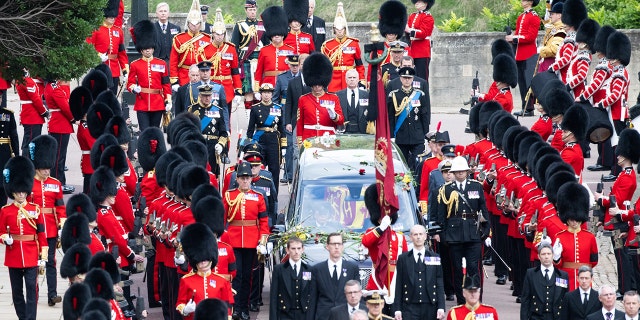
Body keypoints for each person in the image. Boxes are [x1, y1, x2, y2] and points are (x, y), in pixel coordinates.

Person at [435, 156, 490, 304]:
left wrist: (486, 229)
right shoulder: (446, 189)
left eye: (462, 171)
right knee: (457, 270)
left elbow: (483, 209)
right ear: (453, 172)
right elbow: (442, 214)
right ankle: (461, 301)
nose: (460, 174)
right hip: (454, 234)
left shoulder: (476, 186)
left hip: (473, 233)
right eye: (457, 171)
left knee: (474, 268)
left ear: (467, 172)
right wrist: (443, 233)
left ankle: (476, 299)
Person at [0, 156, 48, 320]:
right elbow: (0, 232)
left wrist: (43, 256)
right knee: (17, 292)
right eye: (18, 191)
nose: (21, 194)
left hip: (31, 254)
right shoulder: (5, 211)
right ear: (13, 191)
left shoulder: (35, 209)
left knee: (31, 287)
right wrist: (5, 238)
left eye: (23, 191)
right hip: (13, 256)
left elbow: (41, 233)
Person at [223, 162, 269, 320]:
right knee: (237, 275)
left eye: (247, 178)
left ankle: (244, 308)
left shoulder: (258, 197)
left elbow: (263, 222)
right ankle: (235, 307)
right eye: (242, 178)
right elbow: (223, 221)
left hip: (251, 242)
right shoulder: (229, 196)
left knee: (248, 276)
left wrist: (263, 241)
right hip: (233, 240)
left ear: (251, 179)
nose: (245, 181)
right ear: (237, 179)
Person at [595, 128, 638, 295]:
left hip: (619, 223)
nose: (618, 157)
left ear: (627, 155)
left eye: (620, 154)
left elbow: (616, 201)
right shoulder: (623, 174)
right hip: (614, 221)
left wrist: (599, 198)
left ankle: (625, 288)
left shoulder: (628, 176)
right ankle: (624, 286)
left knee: (622, 258)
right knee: (619, 256)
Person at [27, 135, 66, 306]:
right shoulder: (28, 184)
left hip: (50, 228)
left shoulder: (55, 184)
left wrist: (62, 225)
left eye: (48, 168)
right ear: (37, 167)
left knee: (51, 262)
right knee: (33, 264)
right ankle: (33, 295)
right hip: (34, 229)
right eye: (44, 168)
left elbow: (60, 207)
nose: (47, 171)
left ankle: (52, 294)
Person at [593, 31, 631, 182]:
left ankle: (617, 172)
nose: (611, 60)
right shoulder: (617, 71)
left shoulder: (620, 73)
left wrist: (601, 103)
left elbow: (615, 95)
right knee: (616, 141)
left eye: (614, 57)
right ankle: (616, 171)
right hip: (615, 111)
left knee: (617, 142)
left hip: (618, 112)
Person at [361, 184, 407, 306]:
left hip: (395, 279)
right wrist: (381, 228)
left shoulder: (399, 237)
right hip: (378, 279)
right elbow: (366, 241)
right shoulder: (372, 233)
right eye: (381, 217)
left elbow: (405, 262)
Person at [176, 223, 234, 319]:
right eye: (199, 260)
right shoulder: (186, 281)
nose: (203, 263)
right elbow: (179, 303)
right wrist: (185, 309)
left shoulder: (222, 281)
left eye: (205, 260)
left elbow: (228, 304)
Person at [393, 224, 445, 319]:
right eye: (415, 234)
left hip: (430, 306)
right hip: (409, 307)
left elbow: (439, 282)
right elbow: (399, 284)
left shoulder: (434, 257)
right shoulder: (403, 259)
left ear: (425, 236)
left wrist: (441, 307)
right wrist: (397, 309)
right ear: (410, 237)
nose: (418, 237)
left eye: (421, 234)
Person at [128, 20, 172, 131]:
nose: (148, 50)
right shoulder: (134, 64)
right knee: (144, 132)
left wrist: (168, 101)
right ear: (141, 49)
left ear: (153, 48)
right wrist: (134, 89)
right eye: (145, 48)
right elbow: (130, 83)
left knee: (155, 132)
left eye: (150, 48)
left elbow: (166, 84)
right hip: (142, 103)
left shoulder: (161, 64)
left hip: (158, 103)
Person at [387, 67, 430, 170]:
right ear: (400, 79)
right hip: (401, 135)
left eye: (409, 78)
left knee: (418, 164)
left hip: (417, 135)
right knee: (402, 165)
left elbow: (424, 115)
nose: (407, 80)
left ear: (412, 79)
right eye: (404, 78)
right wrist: (392, 135)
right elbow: (391, 117)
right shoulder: (394, 95)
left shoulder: (420, 94)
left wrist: (426, 135)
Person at [296, 53, 344, 142]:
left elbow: (340, 121)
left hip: (328, 138)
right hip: (309, 138)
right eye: (314, 85)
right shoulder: (303, 99)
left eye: (319, 85)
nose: (317, 87)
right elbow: (300, 122)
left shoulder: (333, 98)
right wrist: (300, 141)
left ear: (323, 84)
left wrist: (334, 116)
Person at [246, 83, 286, 192]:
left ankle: (274, 195)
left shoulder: (278, 108)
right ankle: (259, 192)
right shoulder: (255, 108)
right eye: (264, 93)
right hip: (260, 142)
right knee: (258, 169)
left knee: (274, 170)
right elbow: (250, 129)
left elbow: (281, 129)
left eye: (269, 93)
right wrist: (248, 145)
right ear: (261, 94)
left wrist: (284, 146)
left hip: (274, 142)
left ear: (272, 94)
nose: (267, 95)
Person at [312, 232, 360, 320]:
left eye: (339, 244)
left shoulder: (352, 268)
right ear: (327, 246)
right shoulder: (317, 269)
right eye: (333, 244)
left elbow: (357, 295)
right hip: (323, 316)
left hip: (346, 316)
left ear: (343, 246)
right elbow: (313, 298)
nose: (336, 247)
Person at [505, 0, 540, 114]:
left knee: (528, 81)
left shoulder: (534, 17)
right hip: (519, 54)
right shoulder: (521, 17)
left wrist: (514, 38)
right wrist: (511, 35)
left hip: (529, 54)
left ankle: (529, 108)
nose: (522, 1)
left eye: (525, 0)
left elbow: (531, 37)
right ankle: (525, 107)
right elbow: (518, 32)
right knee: (522, 82)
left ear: (530, 2)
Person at [321, 3, 365, 93]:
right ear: (334, 30)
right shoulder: (327, 45)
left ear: (345, 29)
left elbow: (359, 64)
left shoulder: (353, 43)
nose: (340, 32)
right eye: (337, 29)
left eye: (341, 29)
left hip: (349, 79)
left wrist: (361, 80)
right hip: (333, 81)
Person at [87, 0, 129, 93]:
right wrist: (98, 56)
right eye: (110, 16)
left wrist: (125, 70)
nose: (113, 18)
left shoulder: (118, 31)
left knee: (111, 98)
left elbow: (121, 53)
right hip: (100, 69)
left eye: (114, 16)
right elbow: (88, 47)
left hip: (114, 71)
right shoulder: (96, 29)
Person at [169, 0, 214, 87]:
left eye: (197, 23)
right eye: (192, 23)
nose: (194, 25)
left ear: (200, 24)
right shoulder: (179, 38)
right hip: (184, 76)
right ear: (188, 23)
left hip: (202, 76)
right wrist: (174, 80)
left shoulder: (207, 39)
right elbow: (173, 61)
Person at [269, 236, 314, 320]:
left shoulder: (309, 269)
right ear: (287, 250)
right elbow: (274, 297)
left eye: (298, 248)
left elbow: (312, 296)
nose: (296, 252)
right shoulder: (279, 269)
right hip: (284, 314)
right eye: (293, 248)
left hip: (304, 314)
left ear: (302, 249)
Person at [188, 84, 229, 175]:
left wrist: (221, 145)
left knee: (212, 173)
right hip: (197, 145)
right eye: (204, 96)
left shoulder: (218, 110)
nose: (207, 98)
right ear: (200, 96)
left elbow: (223, 133)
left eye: (209, 95)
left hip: (212, 146)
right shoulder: (192, 109)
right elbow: (188, 131)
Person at [520, 243, 570, 320]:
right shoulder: (531, 274)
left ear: (553, 255)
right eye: (543, 254)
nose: (546, 257)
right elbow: (525, 300)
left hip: (556, 317)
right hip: (536, 317)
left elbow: (566, 302)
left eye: (549, 254)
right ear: (538, 257)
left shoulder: (563, 275)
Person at [208, 8, 243, 116]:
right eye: (217, 34)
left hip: (227, 88)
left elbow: (235, 71)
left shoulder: (231, 49)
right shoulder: (205, 49)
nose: (219, 36)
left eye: (222, 34)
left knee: (226, 117)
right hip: (211, 88)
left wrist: (238, 90)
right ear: (213, 34)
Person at [231, 0, 264, 110]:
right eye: (250, 10)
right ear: (246, 10)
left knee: (260, 90)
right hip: (246, 60)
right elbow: (235, 46)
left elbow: (267, 43)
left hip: (260, 59)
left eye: (254, 9)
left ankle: (258, 117)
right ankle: (249, 115)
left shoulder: (262, 25)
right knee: (248, 90)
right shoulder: (240, 25)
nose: (252, 12)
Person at [282, 53, 310, 182]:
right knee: (295, 151)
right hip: (296, 121)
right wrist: (287, 122)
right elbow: (288, 103)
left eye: (306, 63)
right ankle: (295, 178)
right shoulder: (293, 82)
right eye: (302, 63)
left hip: (310, 121)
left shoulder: (315, 81)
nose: (304, 66)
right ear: (299, 65)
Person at [44, 79, 75, 194]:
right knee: (59, 157)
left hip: (57, 123)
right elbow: (65, 105)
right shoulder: (55, 88)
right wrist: (73, 118)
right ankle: (59, 183)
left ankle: (58, 182)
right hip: (60, 125)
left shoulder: (51, 86)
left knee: (58, 156)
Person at [548, 0, 587, 84]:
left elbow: (566, 59)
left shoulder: (571, 38)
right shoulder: (573, 37)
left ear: (571, 22)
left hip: (566, 78)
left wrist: (552, 68)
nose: (564, 23)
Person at [255, 6, 294, 89]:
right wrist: (256, 88)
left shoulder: (291, 50)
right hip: (268, 86)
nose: (276, 36)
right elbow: (259, 72)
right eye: (274, 34)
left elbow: (294, 71)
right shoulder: (264, 50)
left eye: (279, 34)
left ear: (283, 34)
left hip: (285, 85)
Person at [15, 69, 48, 158]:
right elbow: (36, 99)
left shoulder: (20, 80)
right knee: (31, 144)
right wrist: (44, 112)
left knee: (28, 142)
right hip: (32, 116)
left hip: (28, 115)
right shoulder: (27, 81)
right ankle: (27, 166)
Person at [406, 0, 435, 81]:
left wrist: (409, 31)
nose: (416, 3)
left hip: (422, 52)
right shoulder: (412, 15)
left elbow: (424, 33)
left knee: (422, 78)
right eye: (416, 1)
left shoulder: (428, 17)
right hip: (411, 51)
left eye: (419, 1)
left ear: (425, 3)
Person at [336, 69, 369, 134]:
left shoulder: (366, 95)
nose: (352, 79)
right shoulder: (338, 95)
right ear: (345, 79)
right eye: (349, 77)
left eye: (354, 77)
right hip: (344, 132)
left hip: (362, 132)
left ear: (358, 79)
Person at [559, 105, 588, 177]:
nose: (562, 134)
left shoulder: (569, 152)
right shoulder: (576, 148)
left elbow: (559, 172)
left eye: (565, 132)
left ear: (571, 134)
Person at [537, 2, 566, 73]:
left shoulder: (561, 30)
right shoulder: (554, 28)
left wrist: (540, 50)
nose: (550, 16)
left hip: (552, 64)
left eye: (552, 14)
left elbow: (554, 50)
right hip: (547, 62)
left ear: (559, 15)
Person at [153, 2, 181, 70]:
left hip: (172, 61)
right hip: (156, 60)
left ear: (168, 13)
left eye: (165, 11)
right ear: (156, 13)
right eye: (161, 11)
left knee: (170, 79)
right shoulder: (151, 28)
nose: (163, 13)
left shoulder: (176, 28)